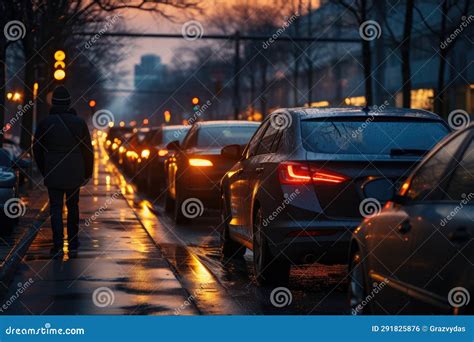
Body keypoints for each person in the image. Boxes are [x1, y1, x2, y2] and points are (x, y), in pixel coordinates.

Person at [33, 86, 93, 257]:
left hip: (53, 170)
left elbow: (36, 148)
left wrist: (44, 169)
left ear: (53, 103)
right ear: (68, 103)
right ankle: (73, 242)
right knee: (73, 206)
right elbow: (87, 150)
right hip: (75, 171)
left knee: (55, 208)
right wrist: (87, 173)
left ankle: (57, 244)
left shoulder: (45, 123)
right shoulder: (79, 123)